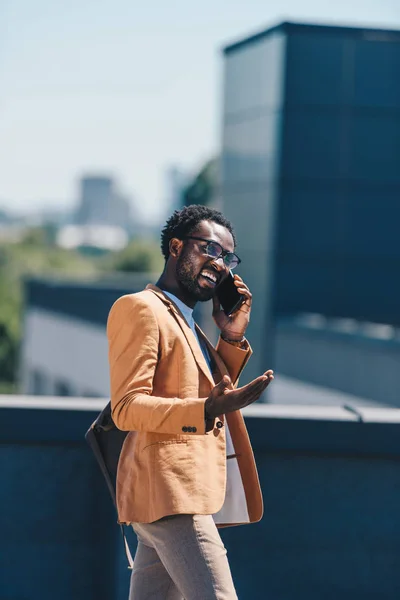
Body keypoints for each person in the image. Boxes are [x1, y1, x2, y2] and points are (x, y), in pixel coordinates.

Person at [107, 204, 274, 600]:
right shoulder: (141, 309)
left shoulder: (187, 320)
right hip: (170, 494)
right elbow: (127, 406)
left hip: (178, 493)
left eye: (228, 258)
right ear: (177, 247)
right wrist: (206, 410)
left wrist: (231, 338)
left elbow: (207, 386)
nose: (220, 265)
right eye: (210, 250)